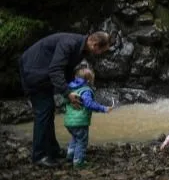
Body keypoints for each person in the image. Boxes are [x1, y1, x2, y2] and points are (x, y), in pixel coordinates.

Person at [19, 31, 110, 167]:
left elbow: (66, 70)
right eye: (101, 51)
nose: (100, 55)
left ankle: (52, 150)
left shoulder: (80, 48)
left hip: (42, 73)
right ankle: (39, 156)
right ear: (95, 45)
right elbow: (55, 70)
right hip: (33, 71)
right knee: (44, 111)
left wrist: (73, 90)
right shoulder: (69, 44)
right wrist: (68, 93)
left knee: (49, 110)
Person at [63, 67, 113, 168]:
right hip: (80, 122)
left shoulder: (69, 89)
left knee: (75, 137)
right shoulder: (86, 90)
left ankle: (70, 155)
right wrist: (104, 108)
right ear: (89, 81)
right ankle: (78, 162)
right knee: (82, 141)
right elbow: (89, 104)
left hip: (68, 121)